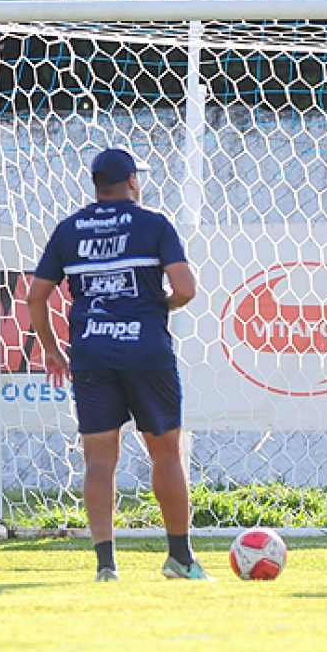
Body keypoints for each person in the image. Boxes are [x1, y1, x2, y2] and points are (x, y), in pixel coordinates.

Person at [27, 147, 206, 579]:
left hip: (91, 353)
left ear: (96, 185)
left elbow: (36, 295)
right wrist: (161, 303)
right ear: (132, 182)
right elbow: (186, 288)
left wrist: (52, 349)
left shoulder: (69, 230)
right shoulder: (153, 223)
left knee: (99, 460)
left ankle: (106, 565)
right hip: (146, 351)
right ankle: (180, 560)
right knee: (166, 453)